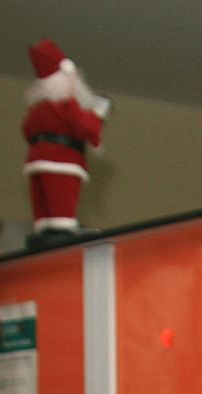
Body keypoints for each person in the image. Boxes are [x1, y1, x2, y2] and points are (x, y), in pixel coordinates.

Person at [21, 39, 108, 249]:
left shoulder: (38, 110)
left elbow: (27, 130)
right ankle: (63, 226)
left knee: (43, 200)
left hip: (36, 159)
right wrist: (99, 115)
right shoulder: (66, 106)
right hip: (62, 159)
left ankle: (46, 227)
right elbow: (85, 125)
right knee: (62, 196)